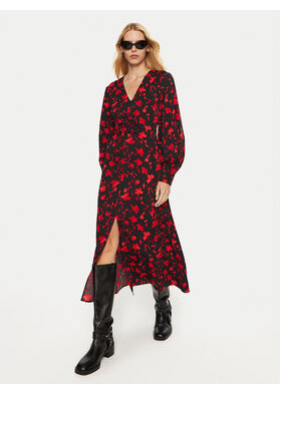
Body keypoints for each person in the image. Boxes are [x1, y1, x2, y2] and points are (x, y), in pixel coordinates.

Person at [75, 22, 190, 376]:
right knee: (106, 247)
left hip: (148, 175)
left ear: (148, 47)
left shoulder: (161, 82)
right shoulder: (112, 91)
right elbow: (104, 138)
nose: (134, 49)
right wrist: (110, 172)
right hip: (114, 178)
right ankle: (101, 338)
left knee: (153, 242)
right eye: (128, 44)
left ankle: (162, 304)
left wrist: (166, 175)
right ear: (121, 48)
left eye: (140, 43)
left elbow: (172, 129)